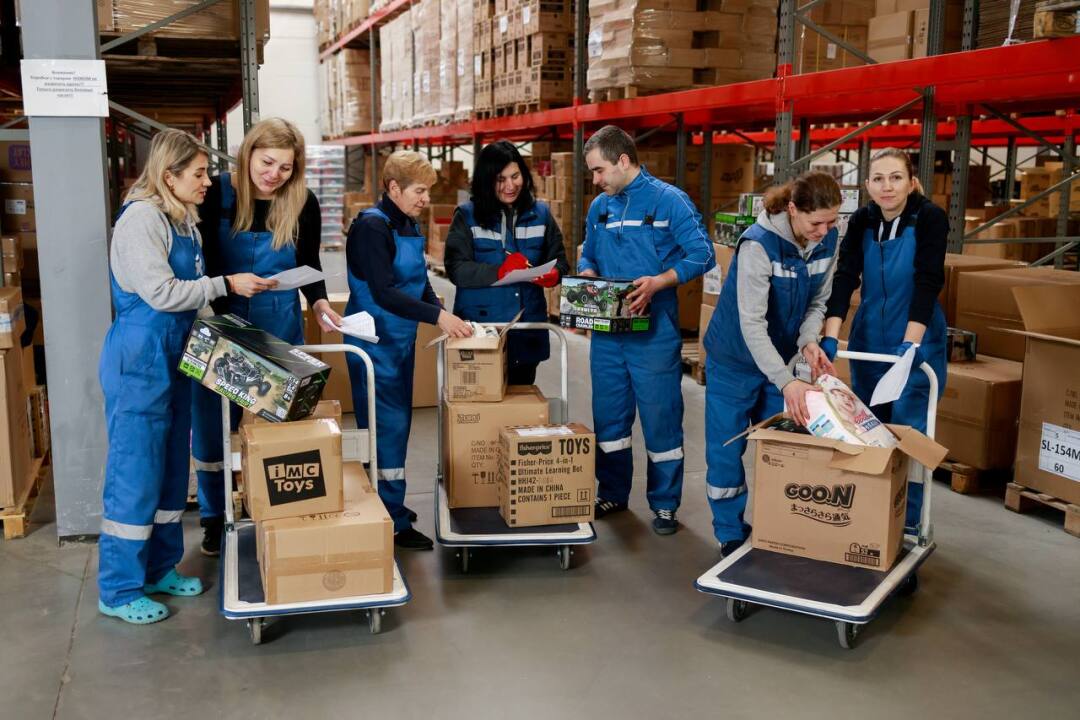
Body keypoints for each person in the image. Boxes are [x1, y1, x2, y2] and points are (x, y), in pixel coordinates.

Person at [98, 129, 263, 624]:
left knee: (171, 468)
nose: (208, 181)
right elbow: (163, 293)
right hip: (140, 359)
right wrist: (225, 283)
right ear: (169, 176)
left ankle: (159, 568)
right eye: (198, 173)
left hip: (177, 354)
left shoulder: (182, 219)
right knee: (135, 473)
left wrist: (227, 329)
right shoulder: (141, 221)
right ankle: (118, 589)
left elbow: (194, 298)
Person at [190, 118, 344, 557]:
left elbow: (309, 261)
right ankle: (214, 516)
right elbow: (200, 259)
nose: (274, 174)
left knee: (279, 422)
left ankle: (277, 505)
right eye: (267, 162)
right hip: (221, 322)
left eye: (285, 167)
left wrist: (319, 302)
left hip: (278, 324)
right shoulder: (216, 193)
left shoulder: (302, 201)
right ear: (248, 154)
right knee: (212, 425)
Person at [578, 125, 715, 536]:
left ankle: (665, 504)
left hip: (654, 333)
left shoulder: (669, 201)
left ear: (623, 161)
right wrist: (588, 272)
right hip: (608, 332)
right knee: (609, 420)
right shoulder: (600, 208)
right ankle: (612, 492)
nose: (595, 180)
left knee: (661, 419)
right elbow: (588, 253)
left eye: (599, 170)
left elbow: (703, 254)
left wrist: (660, 281)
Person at [703, 171, 842, 556]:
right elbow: (752, 323)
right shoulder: (758, 245)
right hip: (734, 361)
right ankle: (730, 532)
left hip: (779, 358)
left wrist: (808, 341)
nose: (824, 231)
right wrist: (786, 381)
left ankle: (776, 528)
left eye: (832, 222)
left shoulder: (829, 240)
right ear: (793, 209)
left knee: (781, 448)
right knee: (726, 449)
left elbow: (819, 302)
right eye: (816, 223)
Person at [345, 150, 472, 550]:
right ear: (394, 188)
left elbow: (418, 282)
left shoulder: (406, 222)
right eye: (419, 191)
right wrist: (436, 318)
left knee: (396, 426)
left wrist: (441, 311)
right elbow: (384, 292)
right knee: (387, 429)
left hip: (398, 341)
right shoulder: (372, 228)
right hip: (374, 343)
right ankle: (393, 522)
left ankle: (389, 505)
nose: (426, 199)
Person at [821, 147, 948, 530]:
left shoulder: (929, 217)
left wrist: (911, 345)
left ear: (911, 182)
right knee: (867, 427)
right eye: (878, 179)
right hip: (869, 340)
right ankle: (869, 517)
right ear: (867, 185)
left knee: (909, 431)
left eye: (895, 177)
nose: (887, 186)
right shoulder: (862, 220)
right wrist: (831, 336)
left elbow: (928, 281)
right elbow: (845, 277)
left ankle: (907, 524)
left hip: (915, 337)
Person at [445, 140, 569, 385]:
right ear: (486, 180)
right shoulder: (467, 216)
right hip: (482, 331)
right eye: (500, 179)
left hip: (526, 330)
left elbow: (560, 261)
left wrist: (554, 274)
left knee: (520, 401)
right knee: (481, 401)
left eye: (515, 176)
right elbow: (457, 269)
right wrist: (499, 271)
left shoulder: (541, 214)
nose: (511, 186)